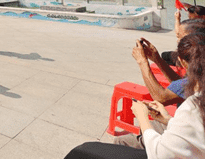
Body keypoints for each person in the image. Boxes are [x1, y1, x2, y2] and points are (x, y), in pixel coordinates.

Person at [65, 32, 205, 159]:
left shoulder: (193, 106)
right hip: (179, 127)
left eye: (179, 36)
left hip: (165, 149)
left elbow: (160, 152)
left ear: (183, 61)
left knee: (102, 146)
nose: (176, 36)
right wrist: (168, 119)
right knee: (153, 125)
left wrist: (142, 116)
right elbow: (180, 86)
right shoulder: (198, 85)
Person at [115, 18, 205, 148]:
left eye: (180, 38)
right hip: (181, 123)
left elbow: (161, 97)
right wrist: (157, 59)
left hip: (187, 133)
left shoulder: (198, 81)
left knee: (121, 141)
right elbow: (180, 85)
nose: (178, 42)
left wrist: (142, 62)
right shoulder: (198, 69)